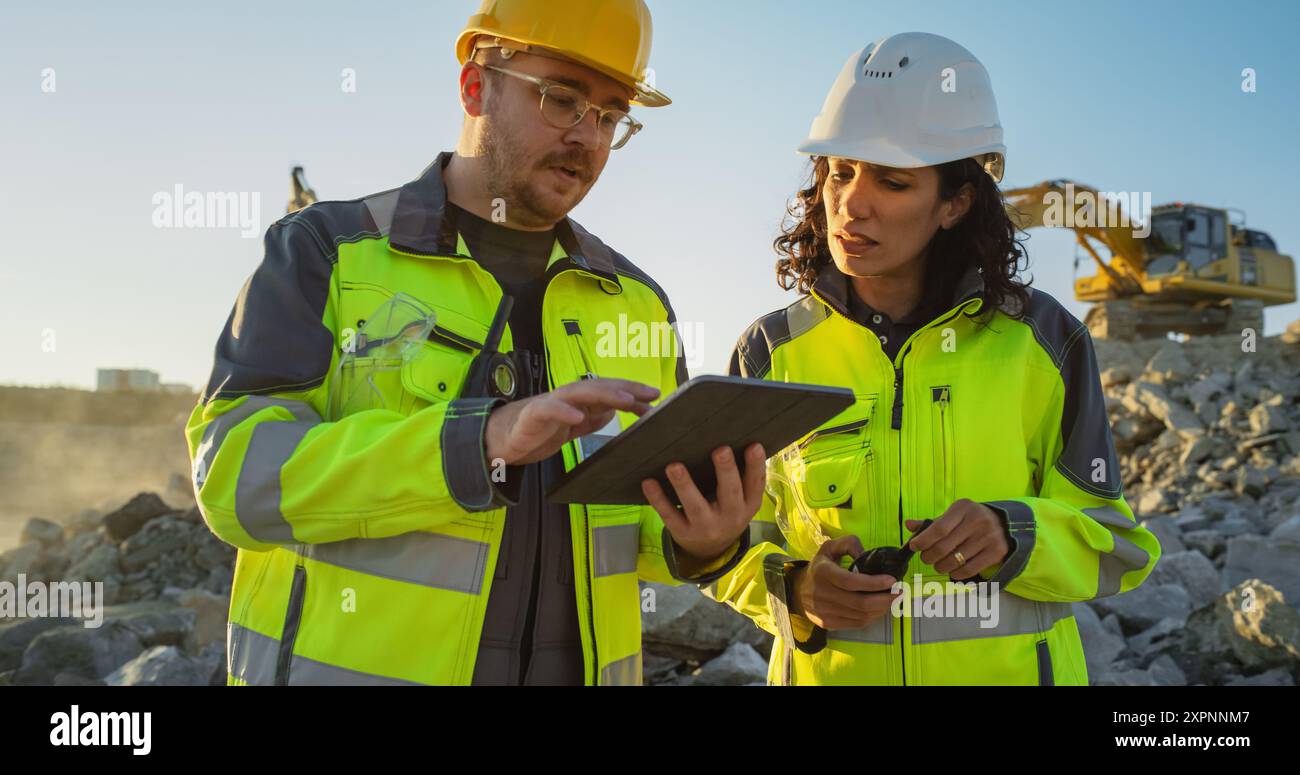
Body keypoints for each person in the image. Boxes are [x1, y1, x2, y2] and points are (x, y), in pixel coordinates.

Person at [185, 0, 764, 686]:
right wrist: (478, 442)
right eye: (561, 98)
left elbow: (629, 532)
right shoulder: (328, 252)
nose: (588, 137)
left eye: (610, 116)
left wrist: (701, 539)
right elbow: (235, 478)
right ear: (473, 85)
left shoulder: (635, 303)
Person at [706, 32, 1161, 685]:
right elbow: (720, 545)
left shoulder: (1045, 341)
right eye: (839, 172)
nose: (851, 203)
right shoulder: (770, 353)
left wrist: (1015, 534)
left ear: (955, 203)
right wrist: (797, 591)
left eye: (892, 182)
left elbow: (1118, 546)